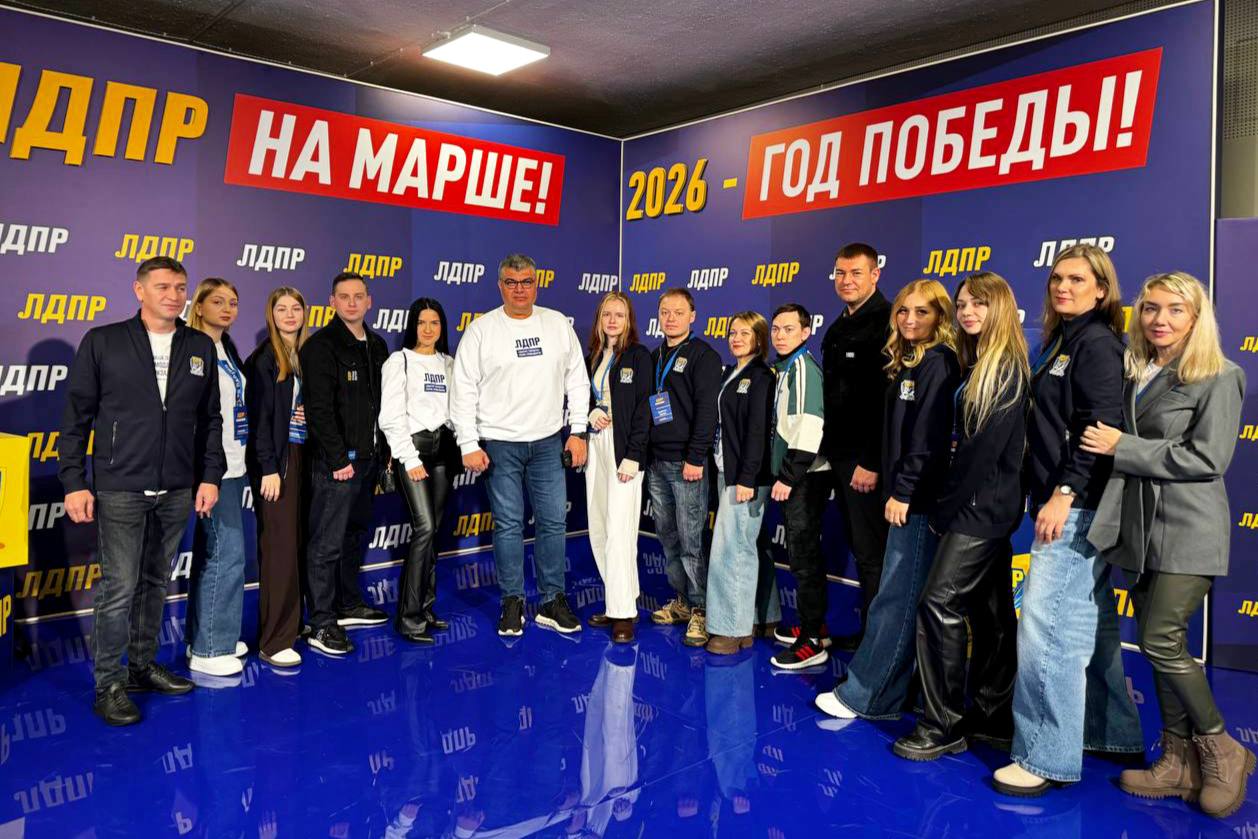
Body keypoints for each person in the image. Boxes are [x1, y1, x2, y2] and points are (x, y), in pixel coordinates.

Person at [1083, 272, 1251, 818]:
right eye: (1151, 308)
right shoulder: (1138, 369)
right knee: (1159, 645)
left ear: (1197, 317)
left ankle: (1222, 748)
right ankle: (1177, 762)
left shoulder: (1221, 375)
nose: (1160, 319)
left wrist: (1123, 446)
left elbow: (1207, 459)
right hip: (1140, 528)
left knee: (1160, 641)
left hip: (1188, 528)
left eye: (1176, 310)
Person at [992, 243, 1143, 795]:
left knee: (1048, 632)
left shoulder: (1097, 343)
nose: (1063, 286)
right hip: (1067, 500)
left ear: (1102, 290)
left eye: (1078, 279)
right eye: (1058, 277)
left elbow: (1099, 429)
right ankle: (1111, 734)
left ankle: (1043, 757)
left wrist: (1064, 492)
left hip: (1075, 505)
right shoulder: (1064, 340)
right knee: (1090, 628)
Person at [59, 256, 224, 725]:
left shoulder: (199, 345)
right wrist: (74, 482)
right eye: (163, 287)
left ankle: (140, 665)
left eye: (181, 287)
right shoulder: (104, 341)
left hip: (177, 487)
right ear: (139, 290)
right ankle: (108, 684)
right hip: (121, 487)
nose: (174, 296)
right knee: (119, 588)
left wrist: (209, 476)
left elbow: (210, 419)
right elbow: (76, 419)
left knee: (155, 582)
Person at [893, 272, 1027, 760]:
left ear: (1001, 308)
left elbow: (979, 454)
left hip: (980, 510)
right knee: (990, 613)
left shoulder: (1004, 367)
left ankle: (941, 724)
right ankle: (992, 715)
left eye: (980, 304)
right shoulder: (981, 361)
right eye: (964, 303)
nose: (969, 311)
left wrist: (944, 509)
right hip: (982, 507)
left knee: (939, 604)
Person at [815, 279, 960, 710]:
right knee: (898, 596)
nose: (909, 319)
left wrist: (905, 491)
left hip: (917, 501)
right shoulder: (913, 360)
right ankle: (894, 690)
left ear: (940, 316)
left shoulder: (939, 362)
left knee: (896, 598)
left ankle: (868, 696)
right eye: (904, 311)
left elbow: (928, 439)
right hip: (906, 495)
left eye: (922, 312)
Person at [450, 253, 590, 637]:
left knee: (553, 521)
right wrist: (467, 442)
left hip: (548, 442)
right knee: (509, 525)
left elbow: (577, 380)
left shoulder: (556, 324)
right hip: (499, 444)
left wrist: (578, 430)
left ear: (536, 284)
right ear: (500, 286)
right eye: (511, 283)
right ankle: (512, 601)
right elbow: (463, 389)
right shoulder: (481, 330)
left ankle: (551, 600)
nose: (519, 289)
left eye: (526, 281)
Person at [299, 271, 390, 656]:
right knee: (326, 542)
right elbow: (318, 410)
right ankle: (321, 622)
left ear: (369, 301)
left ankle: (347, 603)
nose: (352, 303)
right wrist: (337, 458)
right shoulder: (320, 346)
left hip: (369, 460)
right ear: (332, 302)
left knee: (354, 533)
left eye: (358, 296)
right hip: (336, 464)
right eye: (344, 296)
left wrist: (383, 454)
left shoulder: (378, 345)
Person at [820, 243, 892, 651]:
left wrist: (871, 460)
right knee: (862, 551)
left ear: (875, 274)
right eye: (840, 273)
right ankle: (871, 635)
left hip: (865, 462)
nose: (846, 281)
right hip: (840, 457)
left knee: (872, 553)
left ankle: (881, 646)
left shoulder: (887, 322)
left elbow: (886, 402)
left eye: (856, 273)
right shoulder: (838, 327)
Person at [378, 297, 461, 644]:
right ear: (413, 326)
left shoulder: (449, 363)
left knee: (434, 530)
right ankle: (408, 619)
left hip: (444, 454)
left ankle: (425, 608)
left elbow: (458, 409)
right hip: (412, 453)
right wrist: (409, 459)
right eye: (422, 322)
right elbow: (390, 416)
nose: (428, 329)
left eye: (435, 323)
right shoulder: (399, 361)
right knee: (424, 527)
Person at [646, 288, 723, 647]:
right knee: (668, 535)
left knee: (692, 539)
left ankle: (703, 609)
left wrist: (695, 456)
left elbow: (708, 411)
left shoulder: (703, 356)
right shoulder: (654, 355)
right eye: (665, 312)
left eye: (679, 312)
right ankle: (682, 600)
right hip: (657, 462)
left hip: (687, 463)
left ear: (692, 316)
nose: (671, 318)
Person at [185, 278, 250, 677]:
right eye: (218, 301)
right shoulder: (192, 348)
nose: (227, 309)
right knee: (226, 553)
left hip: (235, 463)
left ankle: (204, 636)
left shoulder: (226, 347)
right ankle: (211, 648)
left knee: (215, 552)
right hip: (213, 469)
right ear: (199, 306)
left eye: (233, 302)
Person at [704, 312, 778, 654]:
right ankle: (764, 618)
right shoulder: (731, 373)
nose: (736, 338)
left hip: (746, 477)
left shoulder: (761, 376)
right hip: (728, 470)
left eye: (745, 333)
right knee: (752, 545)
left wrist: (747, 477)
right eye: (732, 332)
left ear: (759, 338)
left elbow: (758, 431)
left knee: (732, 550)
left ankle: (732, 629)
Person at [763, 304, 832, 670]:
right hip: (796, 475)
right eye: (776, 329)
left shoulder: (803, 368)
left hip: (805, 477)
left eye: (789, 329)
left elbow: (809, 426)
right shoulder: (785, 368)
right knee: (801, 555)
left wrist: (789, 476)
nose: (780, 335)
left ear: (806, 333)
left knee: (804, 558)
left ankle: (812, 641)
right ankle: (814, 626)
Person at [583, 292, 653, 644]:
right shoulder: (594, 356)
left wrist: (634, 454)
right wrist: (590, 412)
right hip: (596, 445)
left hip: (624, 450)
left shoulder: (639, 356)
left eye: (619, 315)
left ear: (629, 320)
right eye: (607, 314)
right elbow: (583, 397)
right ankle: (617, 600)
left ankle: (624, 612)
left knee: (619, 531)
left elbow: (645, 408)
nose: (612, 320)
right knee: (598, 528)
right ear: (599, 319)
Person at [244, 286, 308, 668]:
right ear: (271, 314)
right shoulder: (265, 359)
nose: (289, 315)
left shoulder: (302, 355)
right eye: (281, 308)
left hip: (302, 459)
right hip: (277, 465)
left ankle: (292, 625)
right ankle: (274, 640)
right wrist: (268, 467)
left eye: (295, 308)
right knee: (279, 550)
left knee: (296, 546)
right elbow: (260, 421)